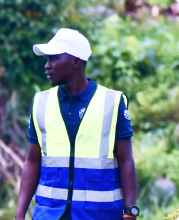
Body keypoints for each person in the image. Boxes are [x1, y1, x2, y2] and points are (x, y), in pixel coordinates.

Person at [14, 28, 139, 220]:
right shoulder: (41, 102)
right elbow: (32, 160)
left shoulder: (112, 102)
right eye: (47, 60)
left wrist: (130, 212)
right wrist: (20, 213)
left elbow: (126, 160)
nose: (47, 66)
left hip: (100, 215)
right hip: (49, 214)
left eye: (54, 59)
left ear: (75, 61)